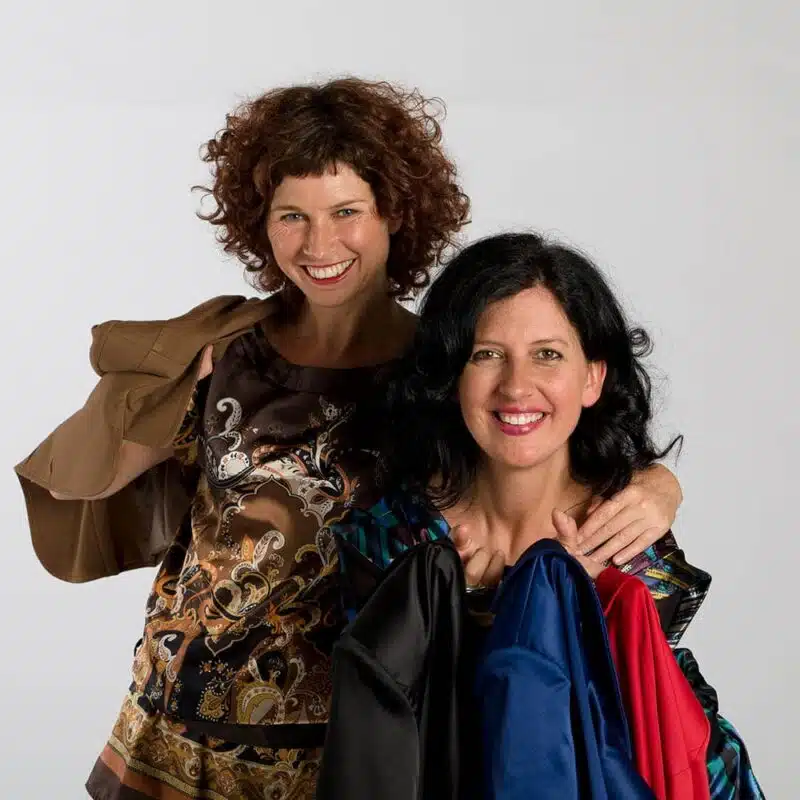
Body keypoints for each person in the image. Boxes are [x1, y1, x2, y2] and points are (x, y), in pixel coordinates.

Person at [14, 79, 683, 799]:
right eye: (292, 216)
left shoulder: (445, 369)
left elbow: (541, 454)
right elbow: (82, 479)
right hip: (173, 728)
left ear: (395, 212)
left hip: (343, 747)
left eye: (346, 212)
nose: (320, 244)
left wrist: (659, 484)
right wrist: (161, 378)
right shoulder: (224, 351)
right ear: (260, 223)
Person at [335, 231, 762, 797]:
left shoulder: (626, 531)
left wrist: (576, 612)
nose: (517, 387)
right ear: (452, 377)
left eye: (548, 355)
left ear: (592, 378)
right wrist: (459, 625)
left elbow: (645, 731)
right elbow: (375, 741)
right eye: (487, 354)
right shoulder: (395, 536)